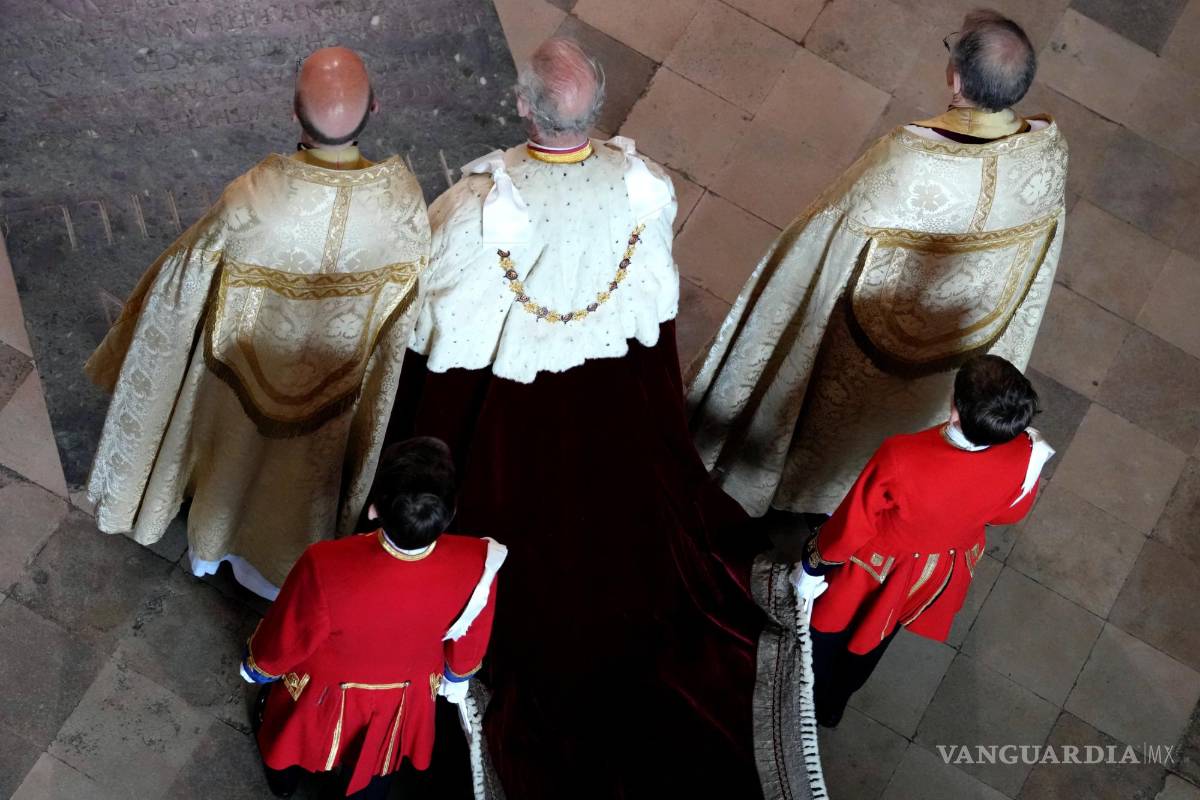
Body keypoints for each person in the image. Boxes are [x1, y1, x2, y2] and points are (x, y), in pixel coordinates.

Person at [389, 37, 811, 800]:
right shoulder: (642, 186)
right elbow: (653, 298)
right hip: (608, 388)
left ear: (523, 106)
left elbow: (434, 325)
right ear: (597, 108)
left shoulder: (479, 209)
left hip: (508, 406)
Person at [688, 9, 1067, 519]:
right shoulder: (1047, 155)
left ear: (955, 77)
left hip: (865, 350)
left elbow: (823, 239)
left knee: (830, 415)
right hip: (960, 348)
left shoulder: (908, 158)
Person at [84, 47, 431, 597]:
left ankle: (210, 549)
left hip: (241, 377)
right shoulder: (405, 205)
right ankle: (283, 575)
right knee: (303, 484)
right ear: (377, 109)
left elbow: (184, 282)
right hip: (336, 387)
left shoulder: (254, 198)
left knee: (231, 465)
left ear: (294, 116)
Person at [792, 355, 1052, 727]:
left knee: (828, 628)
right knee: (875, 637)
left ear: (956, 413)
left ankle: (807, 697)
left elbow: (853, 524)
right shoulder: (1027, 453)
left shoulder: (901, 454)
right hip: (930, 572)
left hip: (874, 563)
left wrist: (813, 561)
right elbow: (1007, 514)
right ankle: (833, 707)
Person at [242, 437, 506, 798]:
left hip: (325, 689)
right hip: (406, 691)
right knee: (381, 759)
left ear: (374, 509)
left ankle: (283, 782)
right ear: (451, 509)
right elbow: (469, 640)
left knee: (288, 733)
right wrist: (455, 676)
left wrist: (258, 665)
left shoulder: (324, 562)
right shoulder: (480, 562)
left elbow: (290, 632)